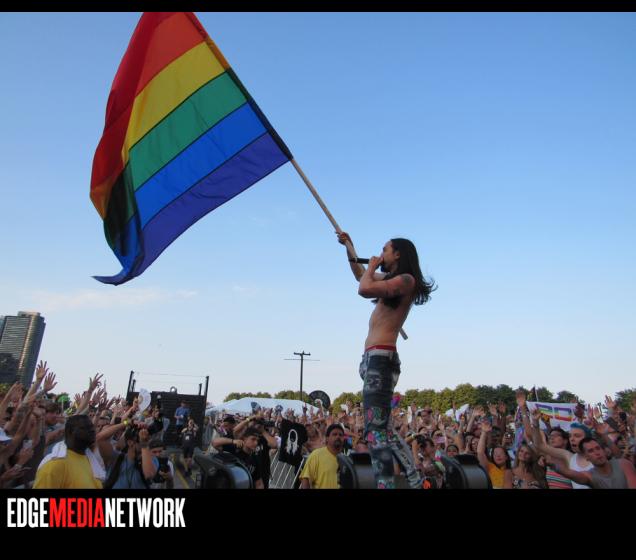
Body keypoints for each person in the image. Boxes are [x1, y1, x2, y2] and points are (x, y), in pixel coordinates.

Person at [337, 231, 435, 488]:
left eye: (385, 250)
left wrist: (371, 266)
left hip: (381, 359)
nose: (381, 254)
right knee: (384, 429)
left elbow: (364, 288)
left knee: (375, 431)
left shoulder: (406, 280)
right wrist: (349, 246)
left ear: (398, 254)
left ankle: (386, 483)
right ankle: (413, 477)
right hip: (373, 359)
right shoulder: (393, 279)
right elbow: (360, 276)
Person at [33, 415, 102, 489]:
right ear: (71, 431)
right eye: (85, 428)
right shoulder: (54, 465)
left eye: (92, 427)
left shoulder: (90, 460)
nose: (92, 430)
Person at [552, 437, 636, 489]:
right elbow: (573, 474)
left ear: (603, 450)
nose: (597, 453)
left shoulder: (623, 464)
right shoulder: (590, 475)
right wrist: (555, 466)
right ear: (586, 457)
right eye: (591, 451)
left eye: (598, 448)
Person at [300, 423, 344, 489]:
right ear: (327, 438)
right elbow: (305, 479)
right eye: (334, 434)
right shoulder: (316, 455)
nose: (338, 437)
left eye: (340, 435)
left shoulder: (345, 459)